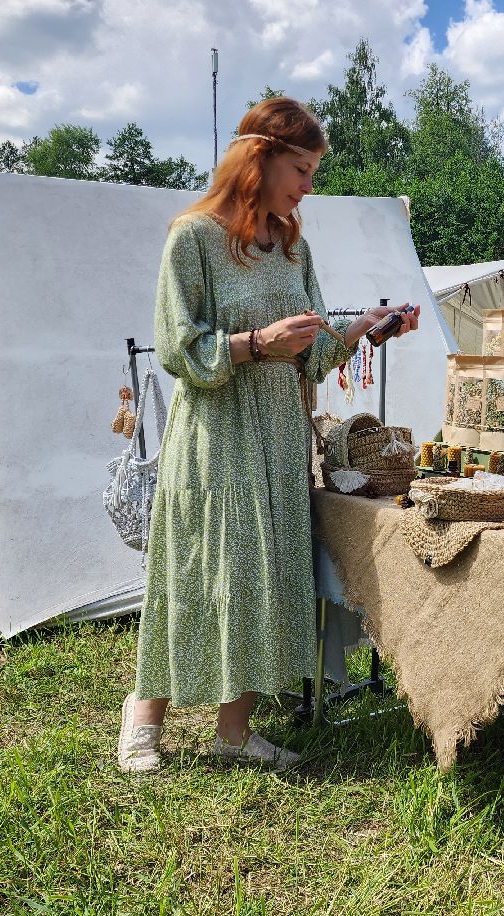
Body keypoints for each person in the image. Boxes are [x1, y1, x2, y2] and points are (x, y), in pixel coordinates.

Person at [118, 97, 420, 774]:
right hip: (216, 437)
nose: (309, 184)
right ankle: (143, 721)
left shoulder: (293, 248)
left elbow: (311, 356)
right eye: (301, 167)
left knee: (263, 577)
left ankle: (233, 730)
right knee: (197, 571)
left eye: (314, 170)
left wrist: (361, 330)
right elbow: (177, 346)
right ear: (259, 160)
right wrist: (257, 343)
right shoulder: (192, 238)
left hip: (281, 438)